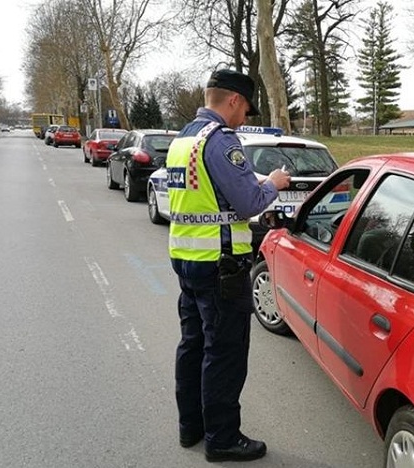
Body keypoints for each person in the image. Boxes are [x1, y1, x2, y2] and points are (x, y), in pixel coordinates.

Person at [166, 68, 291, 463]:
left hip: (187, 261)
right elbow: (250, 203)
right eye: (245, 109)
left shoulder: (183, 139)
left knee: (193, 345)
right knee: (225, 353)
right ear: (233, 100)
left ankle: (191, 427)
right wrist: (272, 183)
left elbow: (209, 197)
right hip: (221, 268)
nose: (244, 118)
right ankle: (222, 438)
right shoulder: (221, 141)